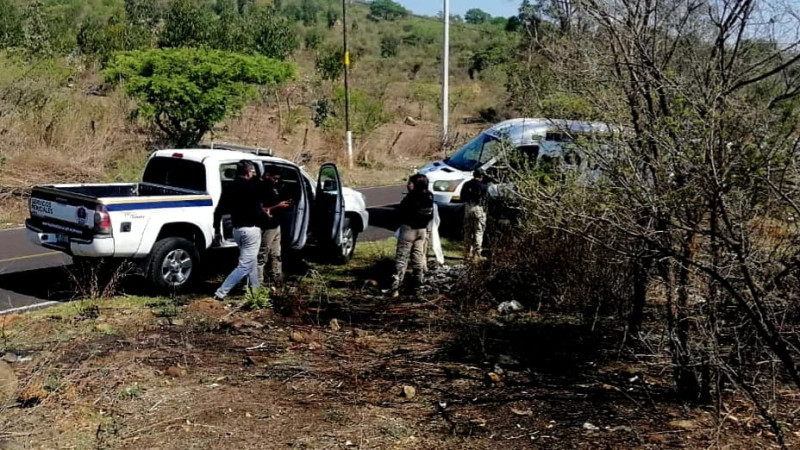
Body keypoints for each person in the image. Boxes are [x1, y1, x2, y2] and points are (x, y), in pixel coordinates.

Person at [212, 160, 268, 301]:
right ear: (249, 172)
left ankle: (256, 292)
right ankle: (221, 292)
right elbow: (257, 210)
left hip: (237, 231)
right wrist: (265, 216)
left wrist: (217, 230)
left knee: (251, 262)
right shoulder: (253, 188)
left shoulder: (229, 186)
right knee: (244, 266)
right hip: (251, 230)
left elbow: (218, 210)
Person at [390, 174, 434, 297]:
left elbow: (400, 213)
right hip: (422, 231)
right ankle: (418, 286)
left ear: (416, 184)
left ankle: (395, 288)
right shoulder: (429, 196)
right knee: (418, 258)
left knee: (401, 259)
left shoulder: (411, 198)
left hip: (409, 230)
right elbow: (430, 215)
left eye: (410, 183)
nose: (408, 185)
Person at [258, 167, 292, 288]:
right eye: (274, 178)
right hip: (266, 225)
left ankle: (277, 281)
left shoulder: (274, 188)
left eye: (277, 179)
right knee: (262, 254)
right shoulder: (260, 188)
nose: (275, 181)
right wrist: (277, 206)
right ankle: (258, 284)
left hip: (275, 225)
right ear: (267, 175)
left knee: (276, 254)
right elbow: (259, 209)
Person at [461, 169, 489, 260]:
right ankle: (477, 253)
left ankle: (466, 253)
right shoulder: (484, 186)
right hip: (479, 208)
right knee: (478, 231)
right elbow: (486, 199)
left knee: (468, 231)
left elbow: (462, 197)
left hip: (468, 208)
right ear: (481, 176)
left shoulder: (466, 184)